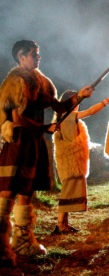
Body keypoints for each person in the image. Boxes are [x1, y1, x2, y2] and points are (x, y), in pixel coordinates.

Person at [0, 40, 92, 266]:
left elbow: (60, 108)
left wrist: (79, 96)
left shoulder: (42, 81)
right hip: (18, 141)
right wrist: (44, 128)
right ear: (21, 57)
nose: (37, 57)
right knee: (8, 192)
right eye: (33, 54)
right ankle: (1, 245)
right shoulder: (15, 81)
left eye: (38, 54)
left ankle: (22, 241)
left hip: (34, 142)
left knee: (26, 191)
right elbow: (17, 118)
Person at [51, 90, 109, 235]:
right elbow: (91, 111)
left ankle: (64, 224)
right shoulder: (69, 116)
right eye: (77, 101)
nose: (79, 105)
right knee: (67, 193)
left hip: (71, 161)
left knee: (68, 192)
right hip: (71, 161)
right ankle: (60, 225)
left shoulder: (63, 117)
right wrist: (107, 100)